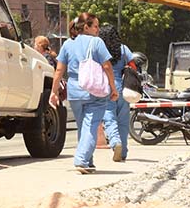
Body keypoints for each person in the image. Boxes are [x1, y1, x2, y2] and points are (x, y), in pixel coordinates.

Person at [50, 12, 118, 174]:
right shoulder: (97, 42)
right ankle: (81, 159)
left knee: (84, 127)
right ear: (86, 27)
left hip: (74, 91)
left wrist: (54, 92)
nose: (98, 29)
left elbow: (59, 70)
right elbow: (107, 67)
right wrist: (113, 88)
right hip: (94, 90)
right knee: (91, 126)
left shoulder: (67, 44)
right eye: (95, 26)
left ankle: (88, 160)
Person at [98, 24, 135, 163]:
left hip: (105, 87)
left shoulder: (99, 50)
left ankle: (115, 142)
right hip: (123, 88)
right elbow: (133, 66)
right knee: (123, 121)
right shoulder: (124, 49)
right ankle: (123, 151)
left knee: (109, 118)